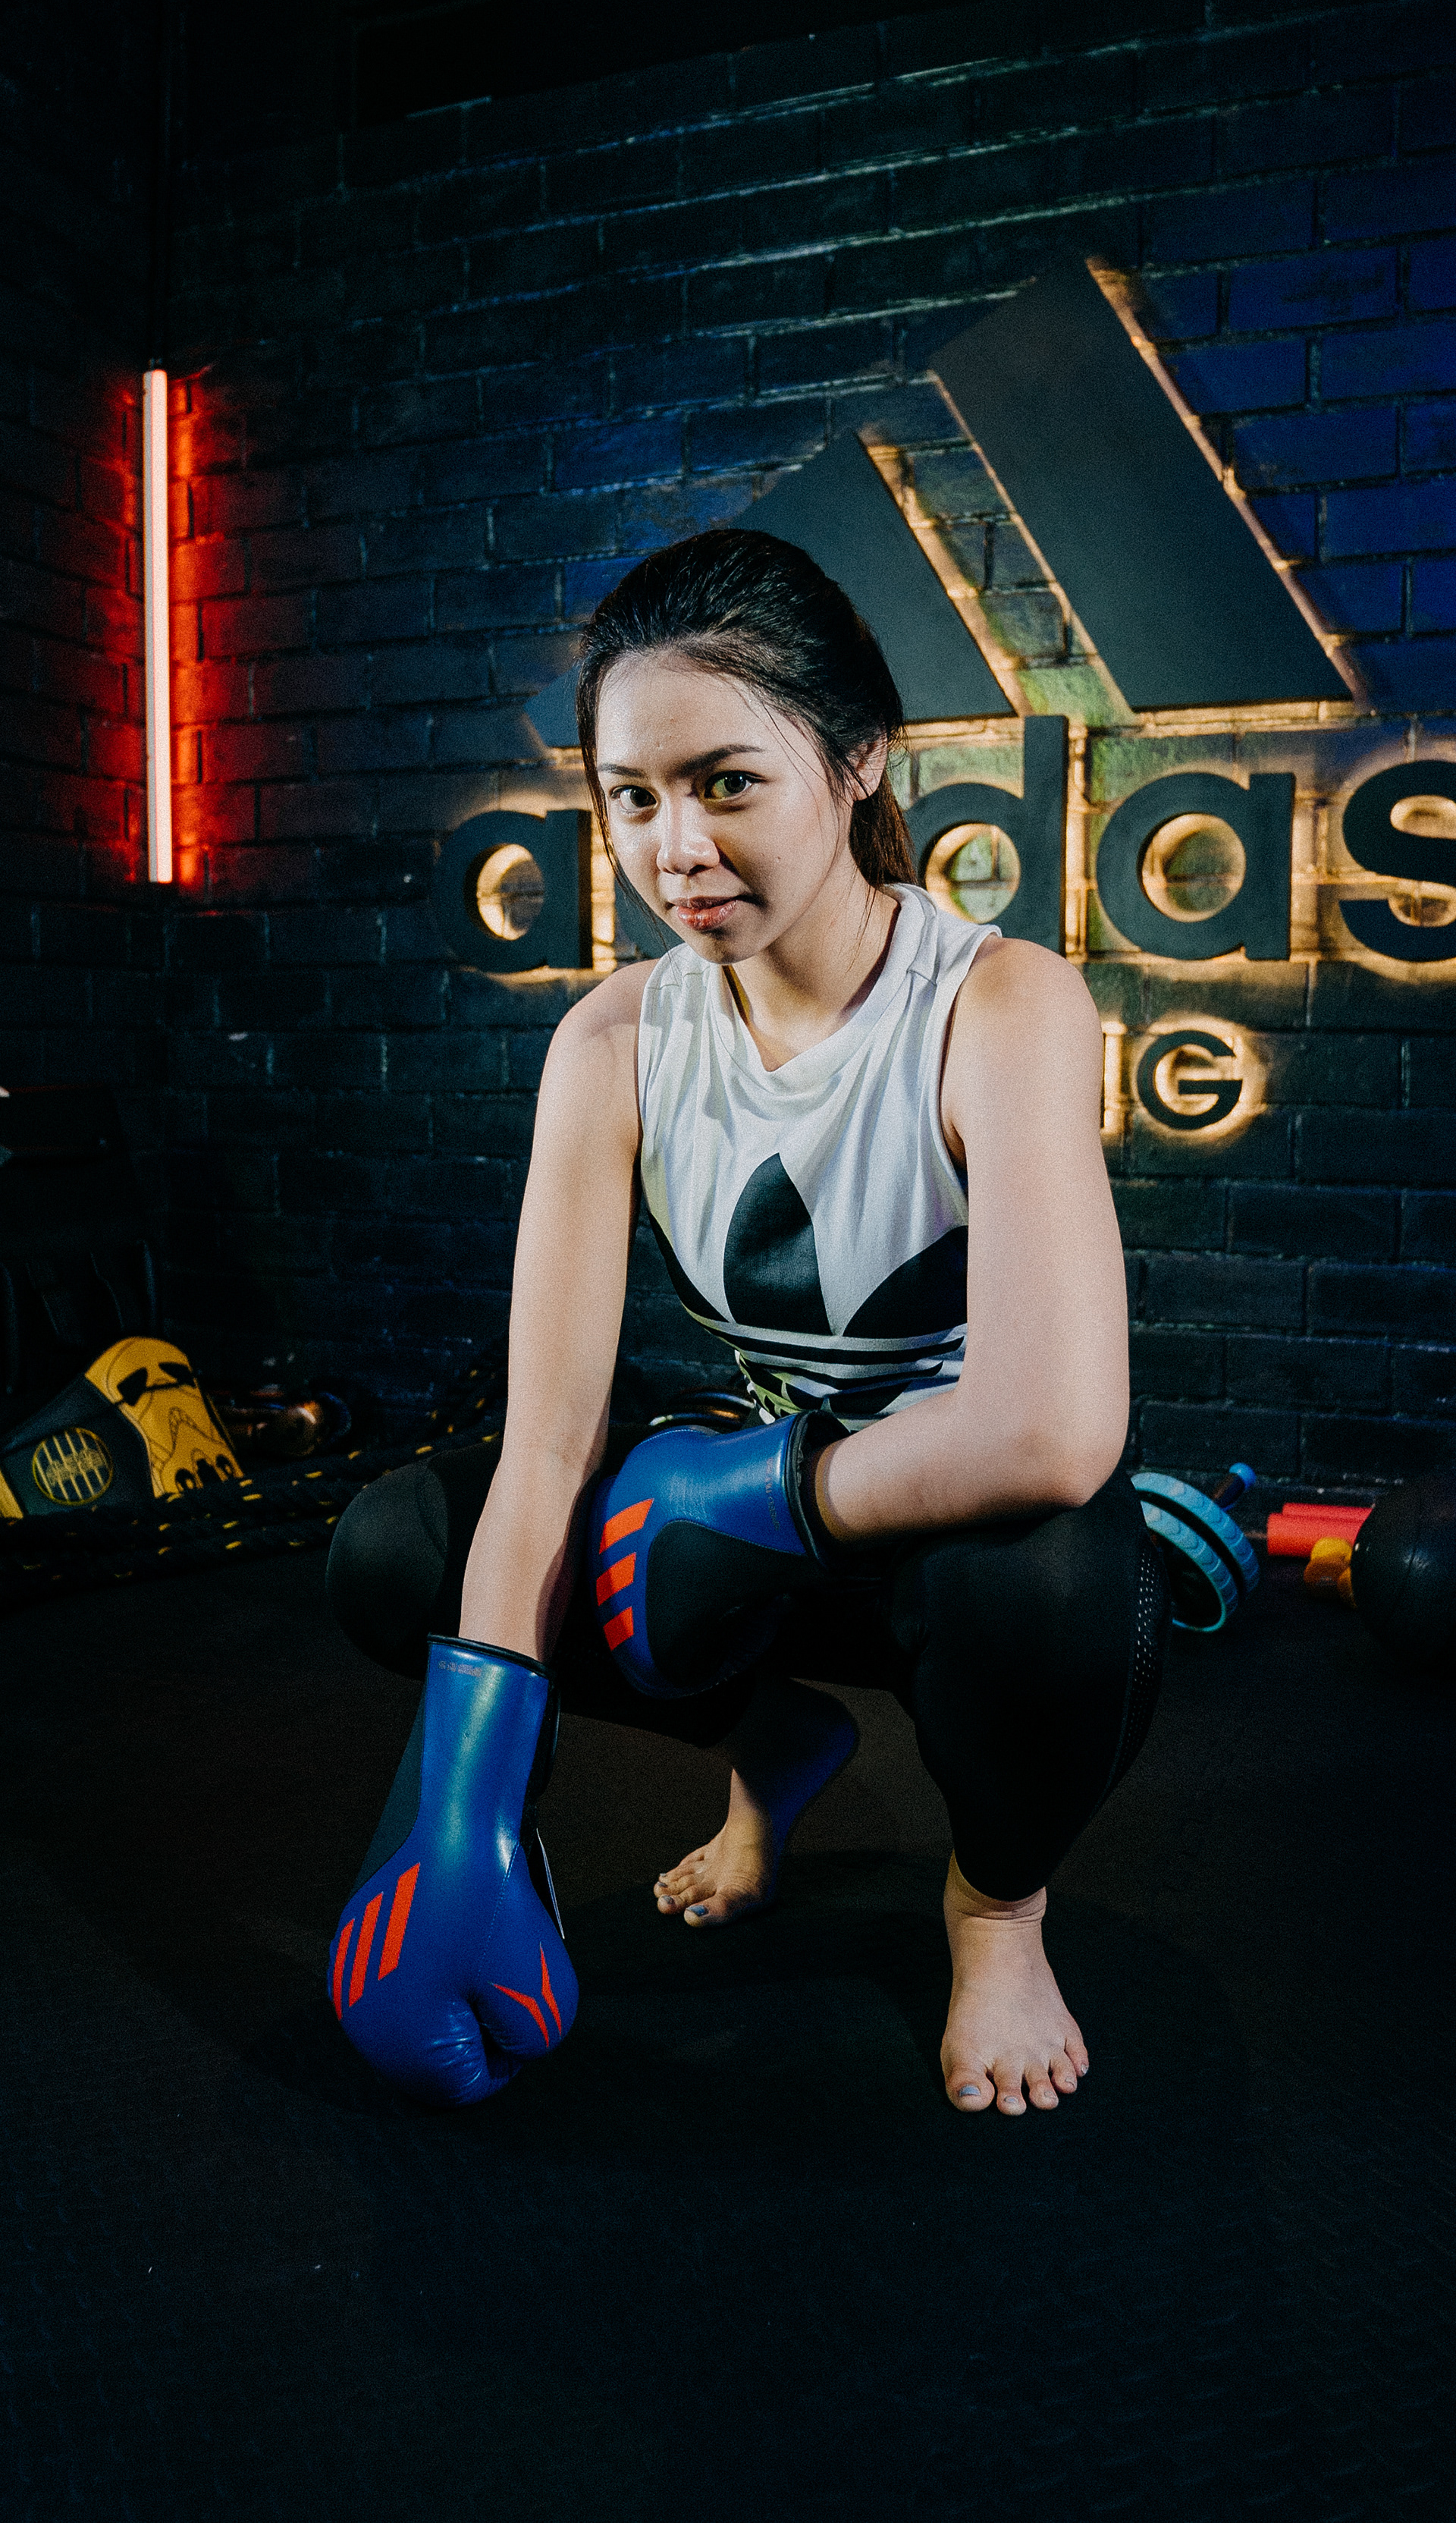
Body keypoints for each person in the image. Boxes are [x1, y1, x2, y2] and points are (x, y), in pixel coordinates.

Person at [325, 529, 1167, 2117]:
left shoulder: (997, 1002)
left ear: (858, 760)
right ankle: (773, 1742)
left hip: (948, 1545)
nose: (677, 848)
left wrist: (762, 1493)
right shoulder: (614, 1042)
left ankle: (997, 1909)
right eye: (632, 797)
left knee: (1062, 1579)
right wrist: (461, 1799)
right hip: (739, 1553)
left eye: (727, 782)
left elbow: (1053, 1430)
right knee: (396, 1549)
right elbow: (546, 1446)